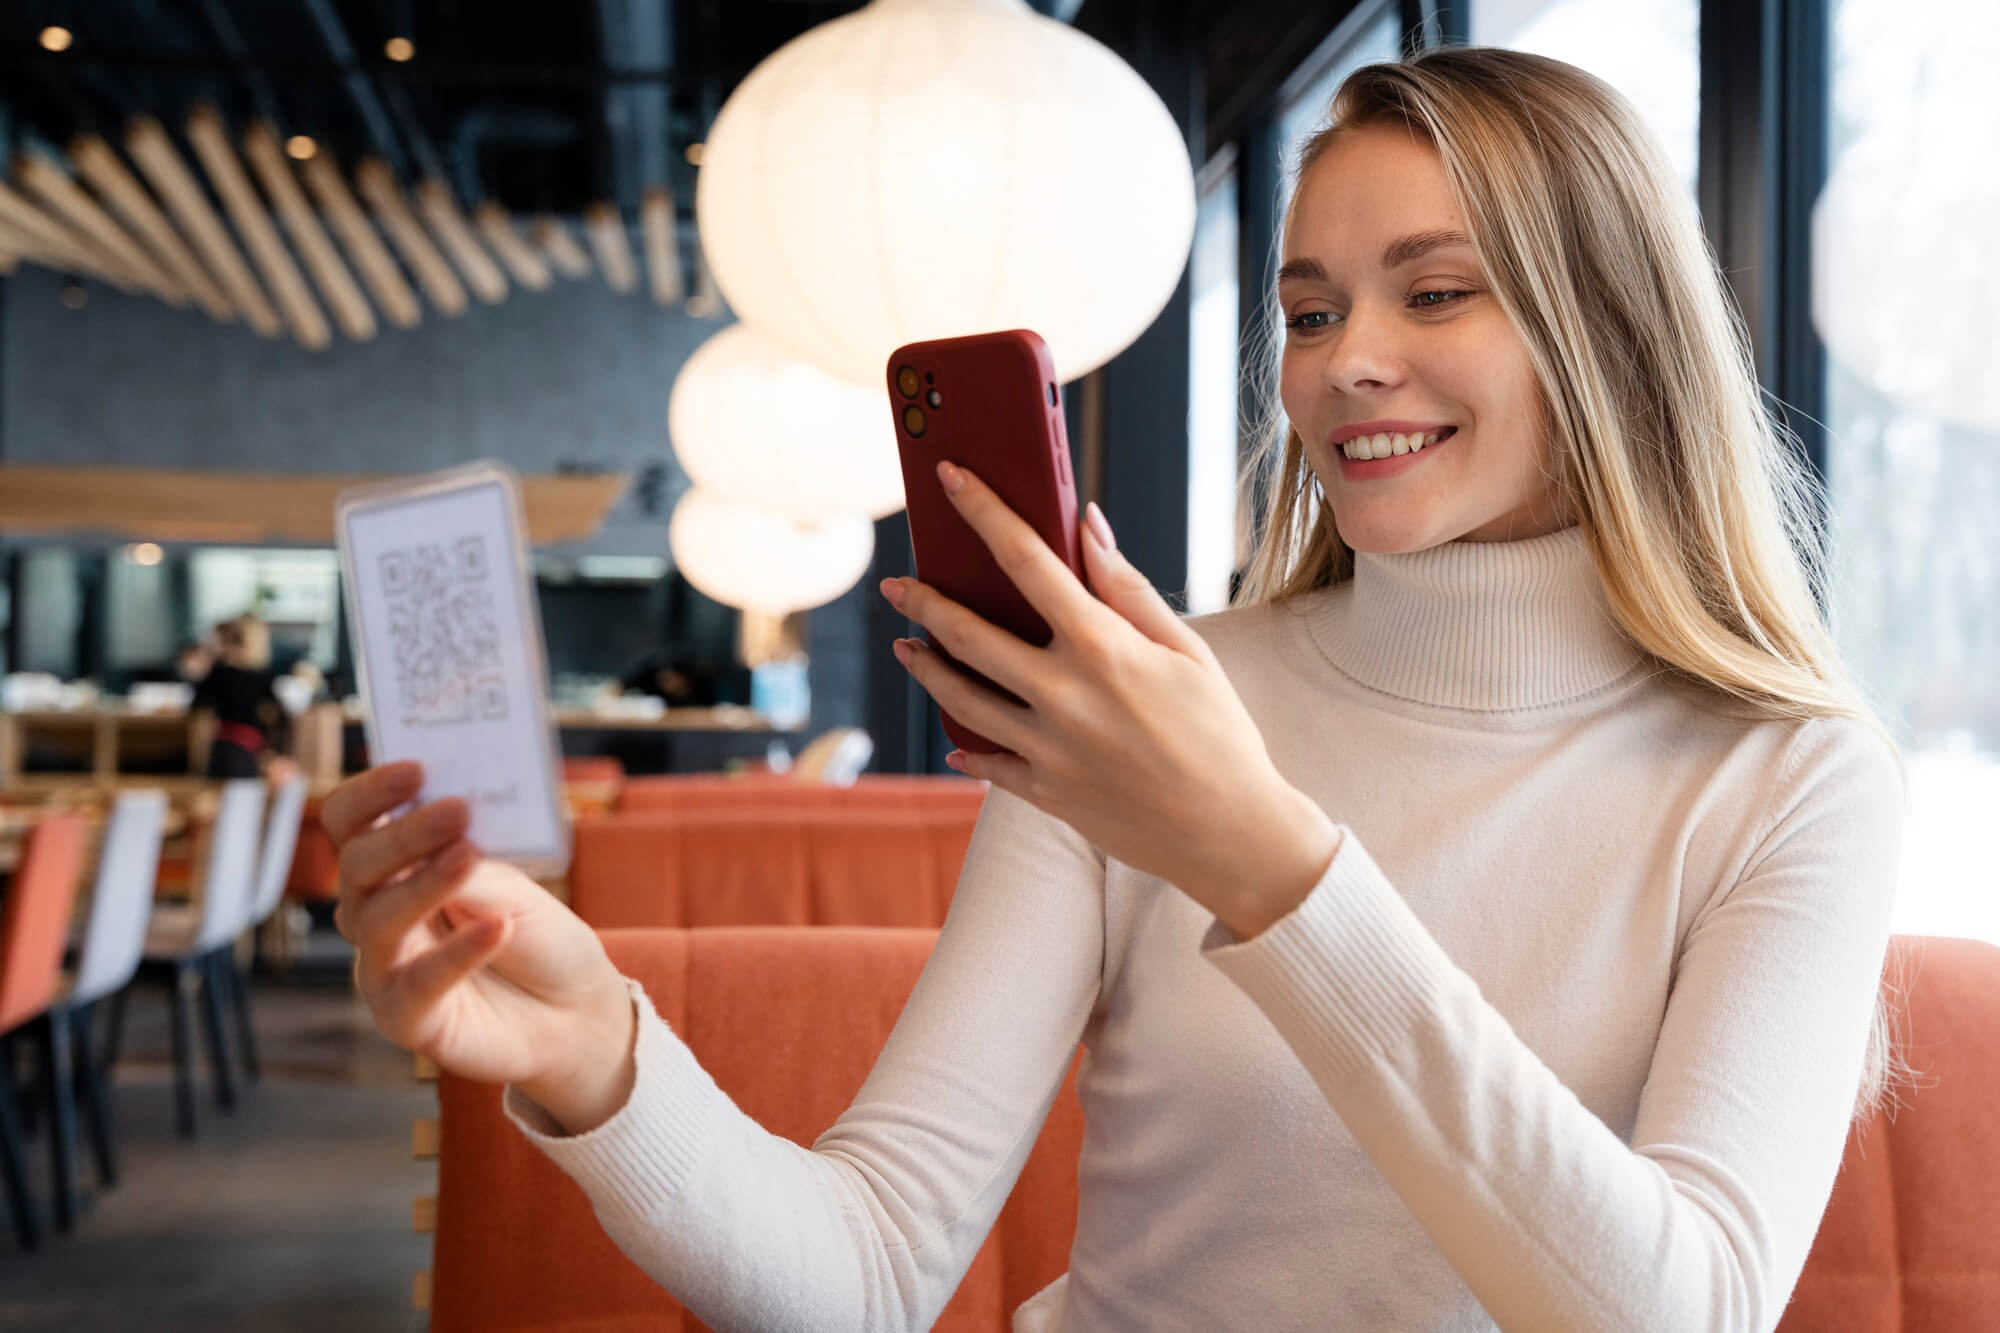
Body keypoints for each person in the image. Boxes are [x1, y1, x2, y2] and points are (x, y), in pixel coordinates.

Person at [322, 48, 1907, 1331]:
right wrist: (603, 1053)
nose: (1344, 360)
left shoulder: (1788, 778)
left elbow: (1678, 1312)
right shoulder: (1150, 703)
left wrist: (1261, 860)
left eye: (1436, 293)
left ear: (1610, 334)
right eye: (1306, 310)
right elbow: (869, 1268)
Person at [191, 614, 288, 779]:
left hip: (222, 745)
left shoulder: (219, 672)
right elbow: (277, 715)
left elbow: (197, 704)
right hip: (249, 748)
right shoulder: (262, 676)